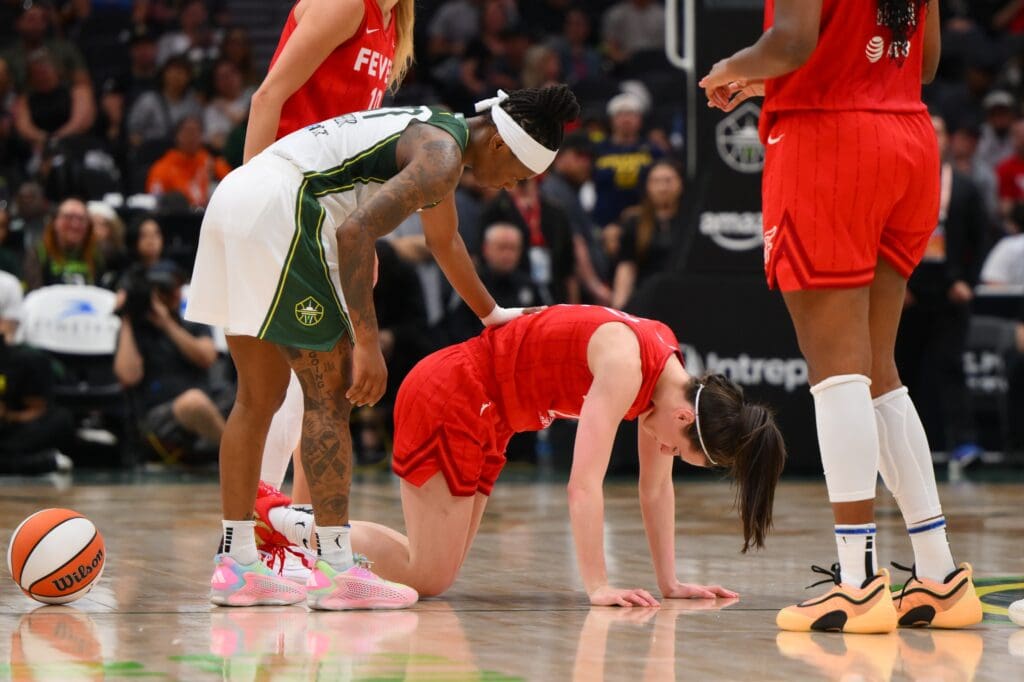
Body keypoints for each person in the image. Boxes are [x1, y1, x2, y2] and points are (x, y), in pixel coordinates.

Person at [185, 85, 581, 609]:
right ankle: (336, 570)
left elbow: (444, 241)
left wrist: (493, 315)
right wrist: (367, 344)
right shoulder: (441, 158)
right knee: (330, 396)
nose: (512, 187)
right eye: (520, 176)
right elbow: (355, 234)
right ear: (504, 147)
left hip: (235, 197)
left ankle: (235, 565)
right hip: (284, 209)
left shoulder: (439, 136)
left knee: (257, 397)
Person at [701, 0, 982, 633]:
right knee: (879, 370)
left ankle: (856, 584)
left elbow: (793, 39)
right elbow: (924, 61)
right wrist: (768, 74)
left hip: (830, 144)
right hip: (907, 138)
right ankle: (938, 576)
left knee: (837, 376)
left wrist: (732, 65)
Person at [254, 305, 786, 605]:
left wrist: (670, 583)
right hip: (457, 395)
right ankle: (279, 517)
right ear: (685, 419)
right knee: (429, 576)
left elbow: (656, 487)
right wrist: (598, 586)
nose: (663, 452)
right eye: (674, 447)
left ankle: (298, 527)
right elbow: (582, 486)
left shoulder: (668, 373)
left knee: (436, 570)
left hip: (492, 418)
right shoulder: (628, 365)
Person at [246, 0, 416, 520]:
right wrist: (249, 196)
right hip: (286, 198)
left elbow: (355, 146)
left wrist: (362, 235)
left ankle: (293, 532)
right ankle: (250, 530)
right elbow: (267, 96)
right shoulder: (346, 5)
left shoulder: (395, 24)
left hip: (332, 210)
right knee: (286, 380)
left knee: (322, 388)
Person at [113, 261, 226, 461]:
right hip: (158, 416)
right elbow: (128, 376)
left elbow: (207, 358)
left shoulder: (192, 324)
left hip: (209, 401)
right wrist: (126, 318)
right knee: (194, 402)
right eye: (165, 289)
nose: (173, 293)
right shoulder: (134, 331)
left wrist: (167, 324)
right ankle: (242, 460)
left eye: (176, 287)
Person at [612, 160, 687, 310]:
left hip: (683, 297)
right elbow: (626, 267)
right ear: (647, 186)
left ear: (681, 184)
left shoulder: (692, 220)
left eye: (668, 181)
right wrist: (619, 307)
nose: (662, 188)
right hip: (646, 299)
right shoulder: (634, 222)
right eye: (656, 181)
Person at [145, 116, 231, 208]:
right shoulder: (162, 168)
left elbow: (232, 183)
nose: (192, 137)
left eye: (196, 132)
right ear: (177, 135)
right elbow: (155, 201)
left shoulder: (208, 161)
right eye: (188, 132)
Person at [23, 197, 102, 290]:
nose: (75, 225)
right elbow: (34, 295)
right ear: (55, 222)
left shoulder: (96, 255)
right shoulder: (39, 254)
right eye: (68, 217)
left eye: (81, 219)